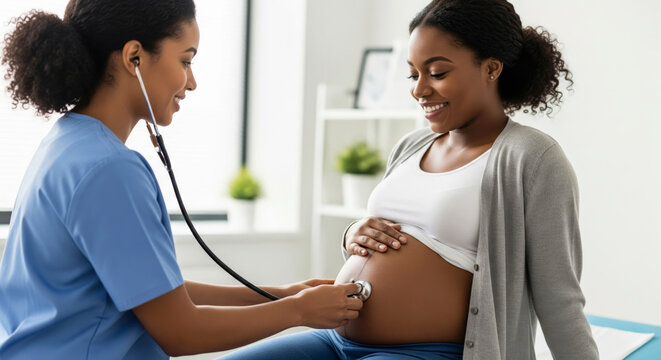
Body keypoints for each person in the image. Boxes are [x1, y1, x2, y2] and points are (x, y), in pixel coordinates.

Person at [218, 0, 599, 359]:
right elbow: (394, 234)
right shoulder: (412, 145)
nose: (418, 89)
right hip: (334, 340)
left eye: (437, 73)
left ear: (491, 68)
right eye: (413, 74)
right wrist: (352, 235)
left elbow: (559, 297)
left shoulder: (531, 158)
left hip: (427, 351)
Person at [0, 0, 364, 358]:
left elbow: (156, 292)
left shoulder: (69, 143)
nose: (191, 82)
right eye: (185, 61)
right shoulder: (109, 169)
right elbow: (181, 332)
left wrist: (281, 294)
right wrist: (298, 312)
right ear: (134, 58)